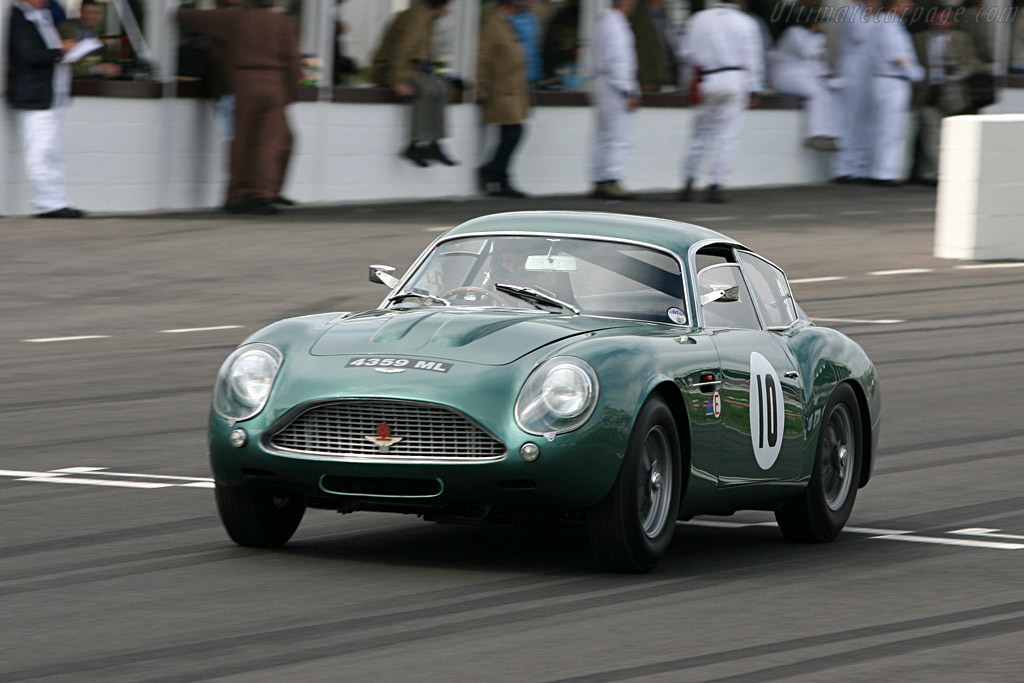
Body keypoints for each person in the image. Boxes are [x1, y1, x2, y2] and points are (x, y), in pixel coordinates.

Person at [178, 0, 301, 215]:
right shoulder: (283, 22)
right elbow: (292, 61)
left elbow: (185, 16)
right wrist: (291, 93)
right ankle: (262, 193)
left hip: (242, 81)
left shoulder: (234, 19)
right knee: (270, 142)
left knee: (242, 140)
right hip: (275, 82)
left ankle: (237, 194)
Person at [677, 0, 764, 203]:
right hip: (735, 79)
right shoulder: (745, 22)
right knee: (727, 136)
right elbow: (753, 59)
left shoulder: (698, 19)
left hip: (706, 78)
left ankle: (689, 181)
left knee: (699, 134)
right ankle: (716, 184)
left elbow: (684, 54)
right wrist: (754, 90)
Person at [7, 0, 84, 218]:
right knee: (40, 150)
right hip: (34, 95)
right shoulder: (18, 17)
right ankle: (48, 202)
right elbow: (27, 54)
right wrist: (59, 52)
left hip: (53, 95)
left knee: (53, 150)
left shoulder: (46, 15)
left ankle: (57, 199)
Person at [372, 0, 458, 168]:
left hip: (408, 69)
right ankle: (414, 145)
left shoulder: (425, 17)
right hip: (390, 69)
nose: (446, 11)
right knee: (425, 88)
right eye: (445, 6)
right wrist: (397, 81)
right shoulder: (417, 16)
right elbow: (401, 50)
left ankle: (434, 144)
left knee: (442, 88)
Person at [912, 2, 980, 185]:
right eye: (940, 18)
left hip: (954, 92)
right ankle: (933, 174)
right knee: (931, 132)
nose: (944, 22)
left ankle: (939, 172)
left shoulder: (961, 38)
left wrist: (961, 72)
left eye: (948, 19)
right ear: (931, 20)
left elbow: (974, 61)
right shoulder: (919, 39)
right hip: (929, 91)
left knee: (950, 134)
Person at [476, 0, 531, 198]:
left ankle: (499, 175)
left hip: (512, 89)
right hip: (500, 88)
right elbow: (483, 56)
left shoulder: (506, 23)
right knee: (512, 132)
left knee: (513, 132)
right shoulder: (492, 24)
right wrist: (481, 85)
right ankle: (496, 174)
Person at [589, 0, 641, 200]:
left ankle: (599, 177)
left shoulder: (603, 22)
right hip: (615, 84)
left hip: (602, 81)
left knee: (602, 135)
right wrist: (628, 91)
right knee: (619, 135)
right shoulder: (617, 25)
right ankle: (612, 178)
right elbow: (619, 60)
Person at [868, 0, 924, 185]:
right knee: (889, 128)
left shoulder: (889, 24)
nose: (909, 7)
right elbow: (898, 57)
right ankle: (883, 173)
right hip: (891, 79)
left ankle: (883, 170)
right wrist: (915, 73)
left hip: (889, 79)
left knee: (888, 127)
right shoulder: (888, 25)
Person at [770, 8, 841, 152]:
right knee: (816, 93)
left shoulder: (818, 38)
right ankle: (815, 134)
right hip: (785, 74)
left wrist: (826, 73)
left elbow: (819, 62)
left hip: (805, 74)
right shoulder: (793, 33)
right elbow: (808, 53)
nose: (821, 25)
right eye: (818, 22)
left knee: (831, 92)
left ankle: (831, 133)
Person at [832, 0, 881, 183]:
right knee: (849, 120)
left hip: (868, 71)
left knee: (865, 121)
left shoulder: (874, 15)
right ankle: (842, 167)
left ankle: (859, 166)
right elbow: (860, 34)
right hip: (852, 70)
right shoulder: (851, 11)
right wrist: (874, 15)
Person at [56, 0, 121, 79]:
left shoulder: (100, 33)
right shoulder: (66, 30)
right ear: (80, 12)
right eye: (88, 12)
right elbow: (65, 66)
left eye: (96, 13)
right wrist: (98, 69)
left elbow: (107, 60)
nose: (91, 17)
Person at [630, 0, 673, 93]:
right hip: (648, 79)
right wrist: (645, 79)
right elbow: (641, 50)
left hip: (662, 75)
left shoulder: (663, 15)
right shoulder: (640, 18)